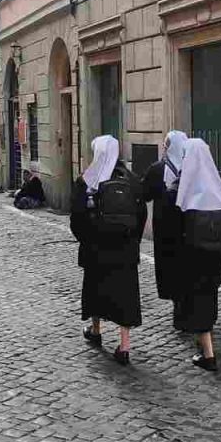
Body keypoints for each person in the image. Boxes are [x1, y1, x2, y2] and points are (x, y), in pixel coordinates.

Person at [70, 135, 146, 366]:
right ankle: (124, 346)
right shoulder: (132, 180)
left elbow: (77, 218)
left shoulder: (87, 180)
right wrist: (132, 241)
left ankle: (95, 330)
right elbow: (141, 216)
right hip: (125, 251)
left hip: (96, 251)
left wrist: (87, 239)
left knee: (95, 290)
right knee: (125, 296)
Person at [172, 138, 221, 372]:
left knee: (199, 297)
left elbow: (175, 226)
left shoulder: (184, 186)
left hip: (194, 255)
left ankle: (208, 354)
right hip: (216, 256)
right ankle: (204, 340)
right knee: (209, 295)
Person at [141, 130, 188, 302]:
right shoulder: (192, 167)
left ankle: (176, 300)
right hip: (188, 225)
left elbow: (144, 194)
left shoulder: (157, 169)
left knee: (169, 266)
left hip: (165, 226)